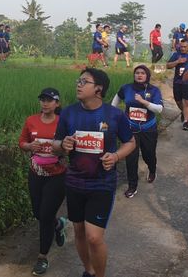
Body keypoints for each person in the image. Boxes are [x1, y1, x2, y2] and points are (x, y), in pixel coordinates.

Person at [53, 69, 136, 277]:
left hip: (102, 184)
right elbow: (56, 144)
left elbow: (130, 142)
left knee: (94, 237)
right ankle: (88, 270)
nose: (78, 85)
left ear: (98, 89)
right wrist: (63, 144)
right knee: (79, 232)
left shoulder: (114, 115)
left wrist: (116, 156)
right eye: (78, 81)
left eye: (84, 81)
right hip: (74, 182)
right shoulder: (68, 113)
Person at [18, 88, 68, 276]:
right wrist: (30, 146)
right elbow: (22, 142)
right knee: (38, 213)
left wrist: (62, 150)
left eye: (49, 100)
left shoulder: (63, 123)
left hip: (57, 176)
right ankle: (59, 225)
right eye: (42, 100)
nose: (45, 103)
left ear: (57, 103)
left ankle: (42, 257)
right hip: (36, 173)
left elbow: (71, 146)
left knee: (45, 215)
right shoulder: (31, 121)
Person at [112, 65, 163, 197]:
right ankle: (132, 186)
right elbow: (117, 97)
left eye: (142, 73)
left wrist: (144, 102)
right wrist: (112, 112)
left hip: (148, 129)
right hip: (130, 128)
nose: (139, 75)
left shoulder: (154, 90)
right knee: (131, 158)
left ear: (147, 75)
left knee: (148, 155)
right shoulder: (126, 88)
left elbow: (159, 109)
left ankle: (152, 169)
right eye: (137, 73)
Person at [167, 39, 188, 130]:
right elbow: (168, 66)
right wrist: (177, 62)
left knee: (186, 102)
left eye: (184, 46)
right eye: (181, 46)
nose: (183, 48)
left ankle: (186, 122)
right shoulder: (176, 55)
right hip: (177, 82)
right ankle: (183, 112)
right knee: (178, 101)